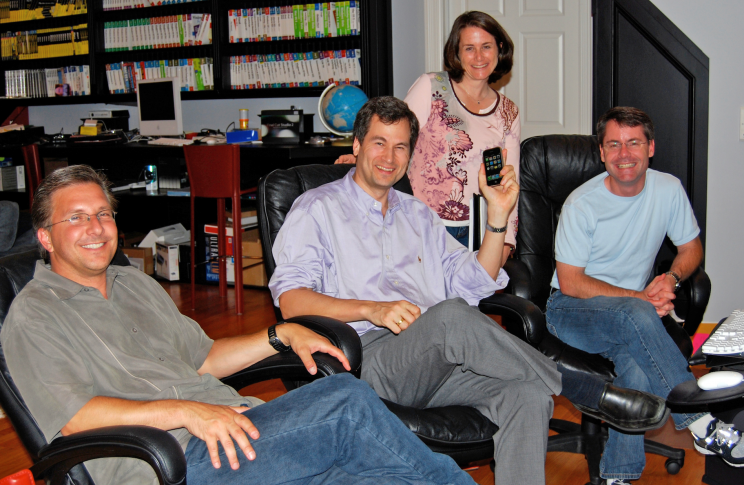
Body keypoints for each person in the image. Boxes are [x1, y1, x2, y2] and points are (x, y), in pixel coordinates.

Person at [271, 97, 670, 485]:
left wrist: (497, 217)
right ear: (357, 145)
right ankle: (581, 388)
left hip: (437, 362)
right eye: (379, 143)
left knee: (528, 395)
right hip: (366, 360)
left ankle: (557, 388)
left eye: (400, 146)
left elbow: (472, 281)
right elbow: (291, 301)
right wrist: (372, 309)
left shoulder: (419, 215)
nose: (389, 157)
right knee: (450, 316)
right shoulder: (316, 208)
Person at [0, 165, 480, 485]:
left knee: (366, 472)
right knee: (347, 404)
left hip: (235, 428)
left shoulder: (134, 284)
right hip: (170, 459)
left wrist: (279, 335)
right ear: (45, 236)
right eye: (77, 218)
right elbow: (74, 417)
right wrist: (186, 412)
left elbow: (205, 357)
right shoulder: (35, 312)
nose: (96, 227)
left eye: (103, 214)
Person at [546, 106, 743, 484]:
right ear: (601, 152)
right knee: (636, 316)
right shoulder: (581, 204)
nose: (624, 154)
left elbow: (691, 249)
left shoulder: (667, 189)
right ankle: (701, 422)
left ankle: (618, 475)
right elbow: (570, 282)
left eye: (634, 143)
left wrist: (669, 279)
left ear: (650, 147)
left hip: (632, 315)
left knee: (634, 368)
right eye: (614, 144)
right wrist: (639, 298)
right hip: (571, 310)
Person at [337, 11, 519, 262]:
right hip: (421, 225)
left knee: (469, 301)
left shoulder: (508, 112)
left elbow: (510, 181)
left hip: (480, 231)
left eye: (486, 46)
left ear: (499, 48)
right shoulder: (431, 86)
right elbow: (395, 135)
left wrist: (505, 242)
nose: (479, 57)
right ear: (456, 52)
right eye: (469, 48)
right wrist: (363, 158)